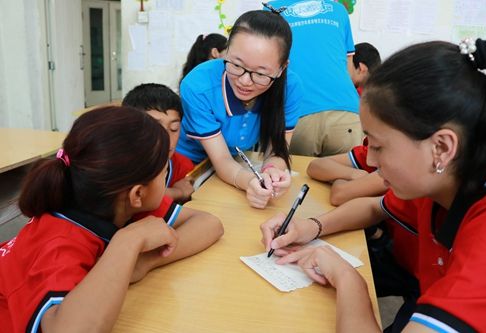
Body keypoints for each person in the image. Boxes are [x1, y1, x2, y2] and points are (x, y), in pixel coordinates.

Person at [260, 38, 486, 332]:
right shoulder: (445, 180)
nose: (370, 161)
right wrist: (309, 227)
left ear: (441, 147)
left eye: (379, 146)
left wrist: (347, 278)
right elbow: (376, 206)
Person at [0, 106, 223, 332]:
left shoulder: (116, 200)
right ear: (138, 193)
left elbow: (209, 224)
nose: (166, 176)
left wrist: (144, 262)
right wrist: (128, 242)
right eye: (164, 172)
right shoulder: (58, 242)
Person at [176, 9, 303, 209]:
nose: (244, 81)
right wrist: (250, 182)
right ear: (225, 51)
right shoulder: (198, 86)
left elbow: (277, 149)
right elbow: (221, 159)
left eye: (261, 73)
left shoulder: (291, 87)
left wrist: (274, 171)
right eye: (236, 64)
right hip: (188, 168)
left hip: (232, 164)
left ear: (282, 68)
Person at [266, 0, 361, 157]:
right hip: (346, 112)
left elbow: (265, 65)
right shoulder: (338, 10)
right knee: (347, 178)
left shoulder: (272, 9)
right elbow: (349, 69)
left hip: (297, 115)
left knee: (296, 178)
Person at [122, 83, 195, 203]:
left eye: (174, 128)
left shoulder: (182, 167)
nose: (166, 138)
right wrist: (176, 193)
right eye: (155, 128)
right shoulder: (114, 164)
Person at [307, 137, 386, 206]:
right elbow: (315, 165)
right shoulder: (379, 151)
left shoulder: (393, 169)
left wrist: (339, 176)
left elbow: (338, 195)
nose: (369, 161)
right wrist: (354, 174)